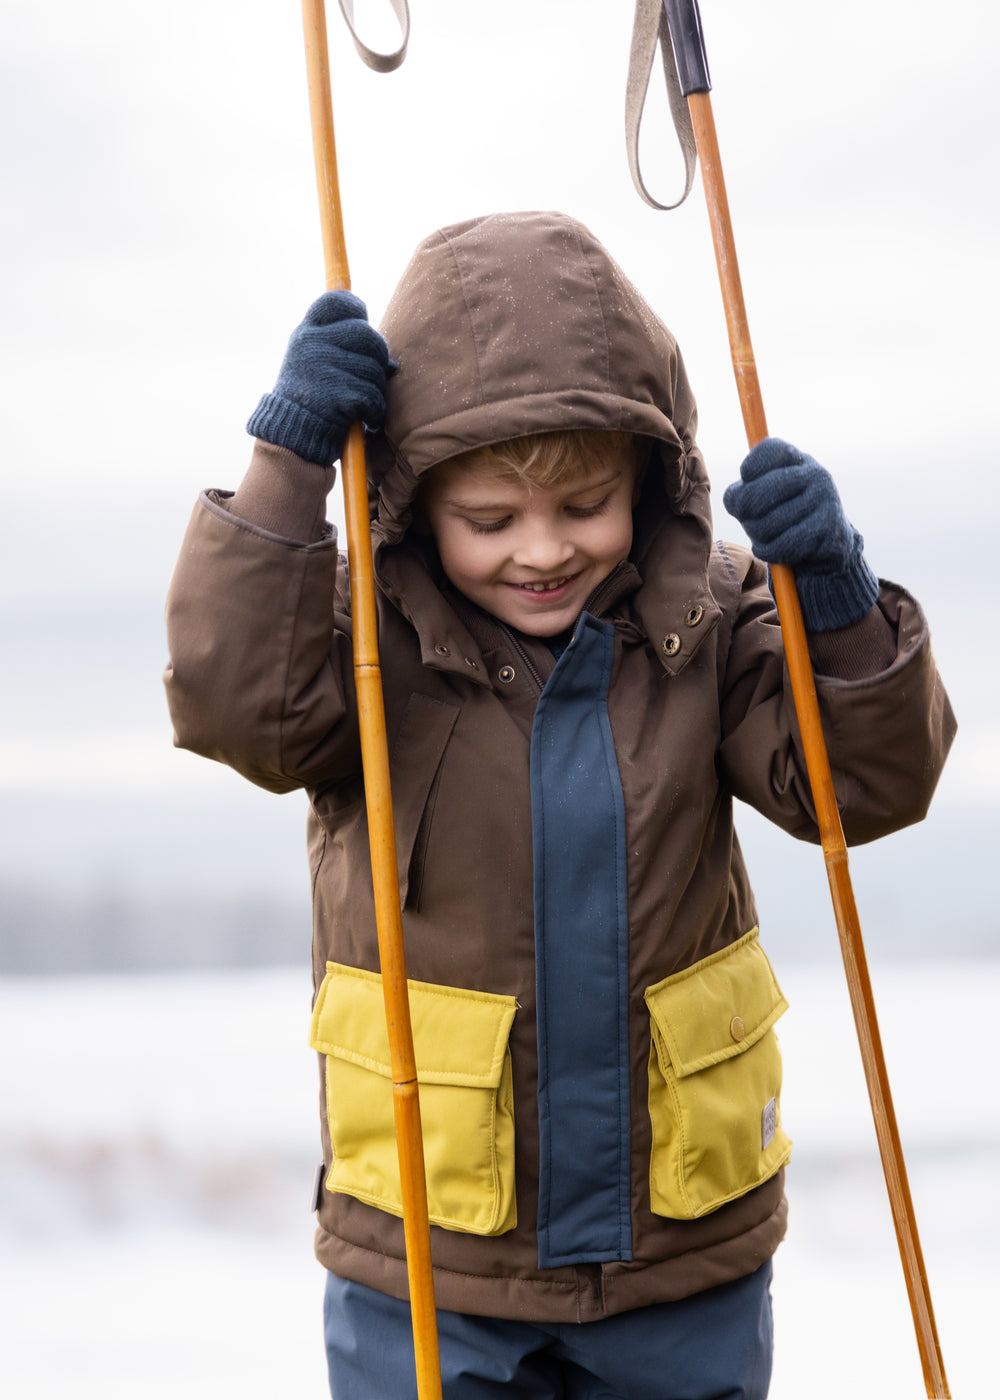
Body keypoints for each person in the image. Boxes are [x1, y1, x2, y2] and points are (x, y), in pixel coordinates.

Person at [164, 210, 955, 1399]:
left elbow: (864, 787)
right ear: (415, 504)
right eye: (489, 520)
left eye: (584, 505)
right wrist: (290, 463)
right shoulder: (360, 640)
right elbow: (233, 704)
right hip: (431, 1257)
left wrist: (836, 604)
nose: (541, 550)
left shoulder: (714, 617)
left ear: (650, 479)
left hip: (681, 1257)